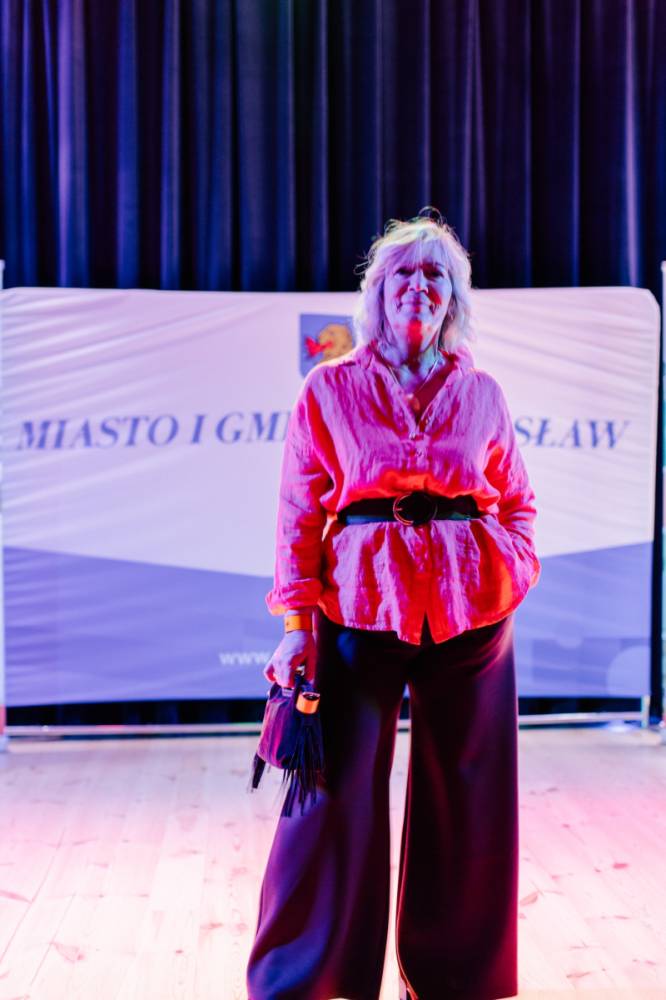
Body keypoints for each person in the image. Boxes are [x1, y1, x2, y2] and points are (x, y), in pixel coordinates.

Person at [246, 211, 540, 1000]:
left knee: (468, 795)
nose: (419, 286)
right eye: (402, 273)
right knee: (331, 797)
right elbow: (298, 516)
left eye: (435, 274)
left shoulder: (483, 393)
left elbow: (517, 502)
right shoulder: (328, 388)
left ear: (454, 297)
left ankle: (456, 980)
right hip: (358, 610)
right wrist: (296, 627)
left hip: (472, 612)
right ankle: (310, 982)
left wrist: (510, 568)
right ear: (375, 293)